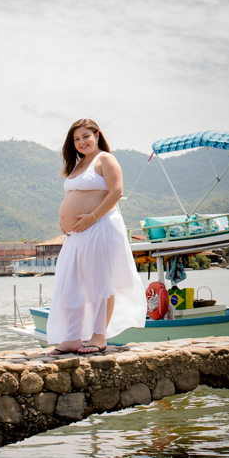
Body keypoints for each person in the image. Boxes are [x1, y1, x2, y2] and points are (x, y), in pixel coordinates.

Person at [47, 118, 146, 355]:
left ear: (97, 135)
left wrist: (91, 217)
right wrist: (65, 221)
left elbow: (117, 192)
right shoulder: (78, 164)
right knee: (71, 282)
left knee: (100, 282)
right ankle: (71, 338)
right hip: (77, 234)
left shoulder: (105, 159)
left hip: (101, 226)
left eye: (85, 137)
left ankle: (98, 337)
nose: (82, 142)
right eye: (76, 139)